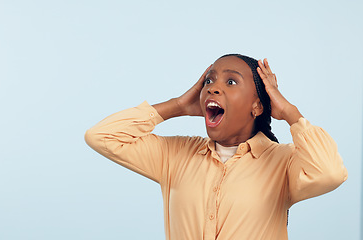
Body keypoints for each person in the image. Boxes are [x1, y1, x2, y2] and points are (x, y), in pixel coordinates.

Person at [84, 54, 348, 240]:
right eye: (209, 81)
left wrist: (290, 113)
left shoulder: (284, 162)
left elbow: (330, 173)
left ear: (257, 106)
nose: (213, 89)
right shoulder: (175, 155)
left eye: (230, 82)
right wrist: (176, 106)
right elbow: (101, 136)